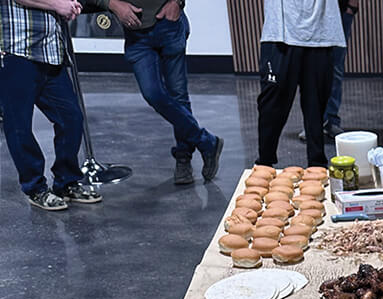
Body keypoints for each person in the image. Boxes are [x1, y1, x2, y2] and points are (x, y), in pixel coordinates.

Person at [93, 0, 222, 185]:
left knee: (178, 95)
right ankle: (206, 141)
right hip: (137, 36)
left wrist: (177, 2)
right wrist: (111, 4)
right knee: (152, 93)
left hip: (168, 24)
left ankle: (183, 158)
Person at [0, 0, 102, 209]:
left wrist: (70, 5)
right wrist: (57, 5)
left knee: (71, 118)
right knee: (19, 127)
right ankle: (35, 187)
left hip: (51, 52)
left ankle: (66, 182)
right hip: (16, 51)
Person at [257, 0, 344, 169]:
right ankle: (264, 166)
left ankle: (317, 167)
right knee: (272, 107)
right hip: (281, 33)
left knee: (316, 109)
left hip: (321, 32)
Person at [298, 0, 357, 143]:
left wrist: (351, 6)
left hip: (340, 9)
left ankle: (331, 119)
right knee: (309, 68)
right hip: (308, 12)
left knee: (335, 67)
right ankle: (313, 122)